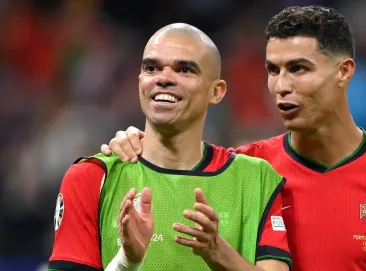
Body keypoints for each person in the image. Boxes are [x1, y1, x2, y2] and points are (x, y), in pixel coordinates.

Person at [101, 6, 366, 271]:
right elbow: (171, 163)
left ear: (344, 72)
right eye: (273, 70)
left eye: (298, 69)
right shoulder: (244, 171)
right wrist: (135, 141)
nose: (281, 86)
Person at [48, 23, 291, 271]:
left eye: (184, 70)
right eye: (151, 68)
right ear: (140, 82)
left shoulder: (255, 179)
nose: (163, 79)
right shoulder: (92, 178)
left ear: (216, 92)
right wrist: (127, 262)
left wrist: (219, 253)